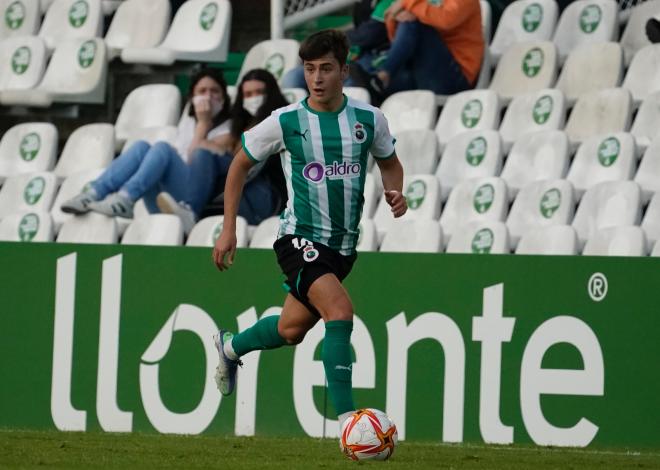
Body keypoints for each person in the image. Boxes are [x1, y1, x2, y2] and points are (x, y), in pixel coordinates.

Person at [211, 29, 408, 427]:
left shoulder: (369, 120)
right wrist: (228, 227)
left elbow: (390, 161)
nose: (316, 78)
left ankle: (230, 347)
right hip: (297, 238)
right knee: (340, 311)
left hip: (343, 248)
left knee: (289, 330)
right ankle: (349, 423)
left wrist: (395, 191)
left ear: (345, 71)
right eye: (309, 69)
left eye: (326, 69)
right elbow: (239, 164)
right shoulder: (285, 121)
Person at [60, 68, 233, 218]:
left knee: (162, 148)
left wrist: (203, 123)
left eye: (214, 91)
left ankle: (126, 197)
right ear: (192, 98)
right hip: (165, 199)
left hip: (191, 202)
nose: (208, 97)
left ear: (224, 97)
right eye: (202, 91)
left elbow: (194, 160)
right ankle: (93, 193)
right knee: (142, 147)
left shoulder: (229, 128)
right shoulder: (188, 121)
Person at [157, 68, 290, 233]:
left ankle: (190, 212)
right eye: (247, 94)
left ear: (272, 94)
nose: (254, 98)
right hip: (242, 193)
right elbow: (204, 153)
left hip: (264, 199)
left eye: (259, 92)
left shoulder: (280, 122)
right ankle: (188, 212)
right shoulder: (240, 126)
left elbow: (251, 169)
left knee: (205, 156)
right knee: (201, 155)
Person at [375, 0, 484, 96]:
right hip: (422, 72)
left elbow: (446, 19)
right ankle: (377, 80)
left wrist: (407, 4)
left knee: (413, 23)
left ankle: (384, 75)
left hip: (456, 78)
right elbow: (396, 37)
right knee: (366, 79)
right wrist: (398, 17)